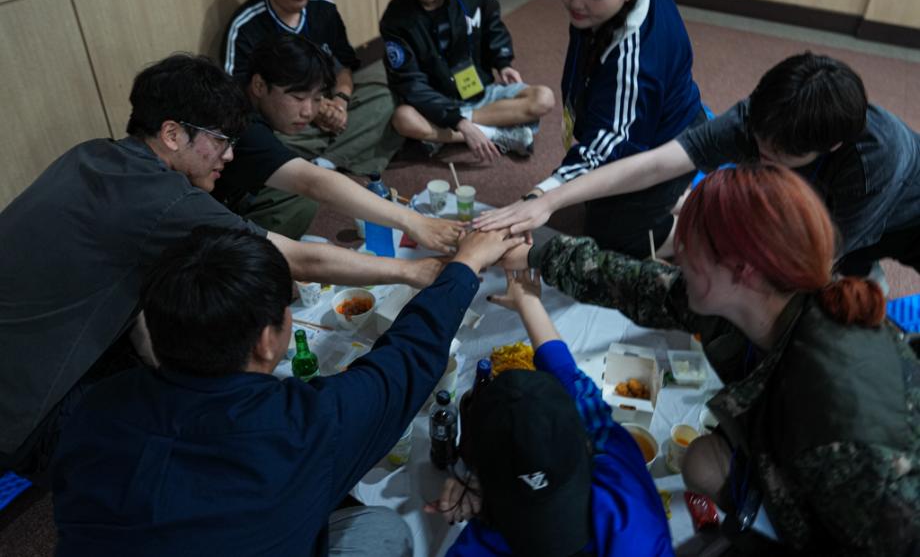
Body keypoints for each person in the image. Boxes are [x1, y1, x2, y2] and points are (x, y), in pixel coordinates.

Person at [0, 54, 444, 483]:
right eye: (220, 141)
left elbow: (125, 273)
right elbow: (299, 258)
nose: (229, 156)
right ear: (172, 134)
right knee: (213, 455)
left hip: (27, 352)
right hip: (30, 412)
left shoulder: (92, 152)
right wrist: (412, 272)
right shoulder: (163, 200)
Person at [501, 165, 920, 555]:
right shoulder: (770, 295)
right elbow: (641, 285)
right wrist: (538, 254)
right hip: (801, 463)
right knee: (703, 461)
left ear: (742, 270)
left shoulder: (839, 420)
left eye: (688, 244)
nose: (677, 255)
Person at [52, 225, 525, 556]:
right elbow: (406, 359)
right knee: (383, 530)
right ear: (266, 340)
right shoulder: (303, 426)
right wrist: (466, 264)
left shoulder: (94, 407)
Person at [478, 52, 920, 277]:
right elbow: (656, 164)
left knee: (830, 278)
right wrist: (549, 199)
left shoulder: (874, 160)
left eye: (777, 156)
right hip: (822, 201)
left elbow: (818, 258)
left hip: (906, 216)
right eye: (758, 147)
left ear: (831, 146)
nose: (762, 155)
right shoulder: (763, 116)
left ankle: (865, 274)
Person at [425, 268, 673, 556]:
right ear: (585, 443)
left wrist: (486, 505)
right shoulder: (621, 475)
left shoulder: (482, 540)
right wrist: (527, 302)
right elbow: (566, 373)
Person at [521, 0, 703, 258]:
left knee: (611, 239)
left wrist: (540, 196)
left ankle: (708, 234)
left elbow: (610, 144)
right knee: (595, 198)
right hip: (646, 113)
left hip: (667, 139)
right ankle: (675, 198)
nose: (576, 2)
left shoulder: (636, 62)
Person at [213, 33, 463, 248]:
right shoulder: (244, 126)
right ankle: (254, 255)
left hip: (234, 194)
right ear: (259, 85)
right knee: (304, 194)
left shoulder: (248, 99)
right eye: (298, 98)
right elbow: (313, 184)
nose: (308, 111)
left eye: (317, 98)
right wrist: (412, 221)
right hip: (210, 229)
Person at [223, 0, 403, 175]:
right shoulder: (245, 27)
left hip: (327, 102)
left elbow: (343, 65)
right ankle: (340, 155)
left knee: (386, 94)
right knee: (259, 144)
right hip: (283, 122)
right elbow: (240, 98)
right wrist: (311, 110)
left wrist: (340, 103)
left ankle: (323, 164)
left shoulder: (323, 10)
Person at [379, 0, 555, 163]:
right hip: (435, 104)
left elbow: (493, 26)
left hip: (479, 91)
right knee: (403, 118)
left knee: (544, 98)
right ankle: (497, 133)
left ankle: (450, 135)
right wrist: (458, 121)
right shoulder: (395, 21)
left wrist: (503, 63)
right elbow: (412, 85)